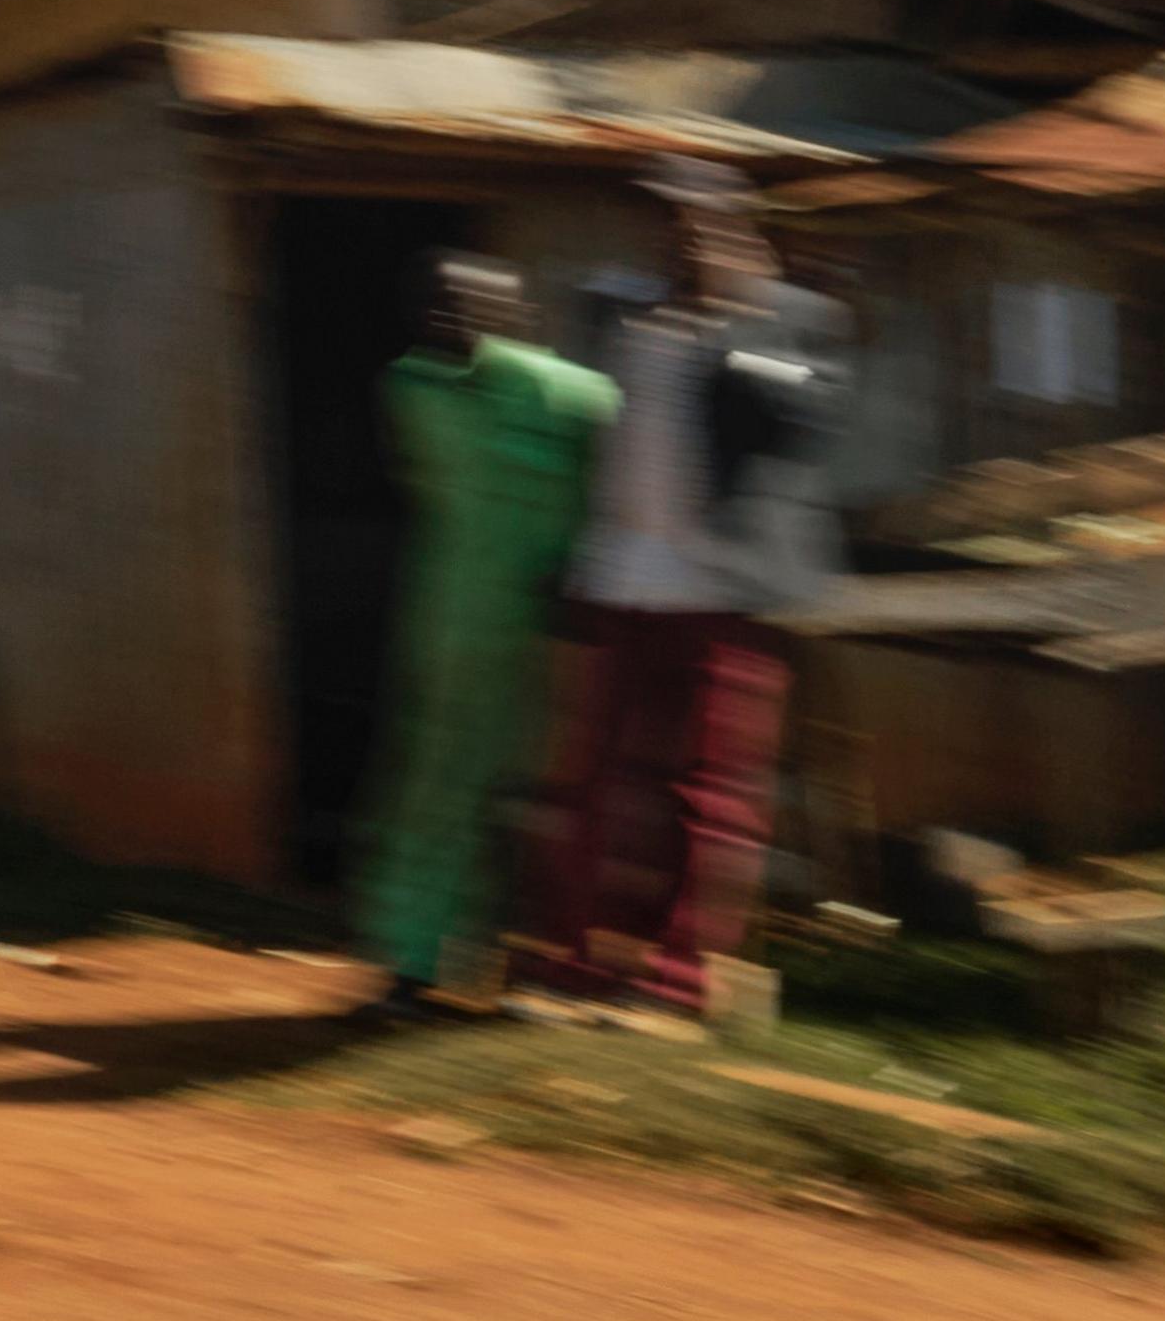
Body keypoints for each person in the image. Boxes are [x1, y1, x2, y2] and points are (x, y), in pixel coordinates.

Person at [535, 173, 844, 1023]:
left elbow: (799, 424)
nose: (684, 248)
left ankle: (679, 983)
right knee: (594, 787)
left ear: (742, 236)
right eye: (670, 232)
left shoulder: (791, 323)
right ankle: (580, 961)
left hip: (720, 590)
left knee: (709, 802)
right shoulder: (618, 321)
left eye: (703, 231)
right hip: (620, 579)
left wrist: (743, 314)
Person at [353, 251, 612, 1004]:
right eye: (439, 303)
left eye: (470, 303)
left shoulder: (569, 394)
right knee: (436, 793)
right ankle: (414, 958)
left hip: (549, 634)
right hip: (449, 625)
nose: (451, 317)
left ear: (514, 315)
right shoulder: (413, 388)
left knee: (539, 800)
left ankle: (524, 957)